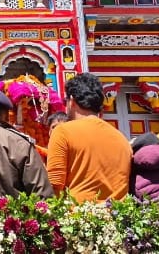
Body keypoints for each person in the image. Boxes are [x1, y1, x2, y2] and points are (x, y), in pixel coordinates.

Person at [47, 73, 132, 202]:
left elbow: (54, 185)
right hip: (117, 212)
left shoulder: (62, 132)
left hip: (77, 212)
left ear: (72, 101)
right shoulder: (121, 139)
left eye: (66, 101)